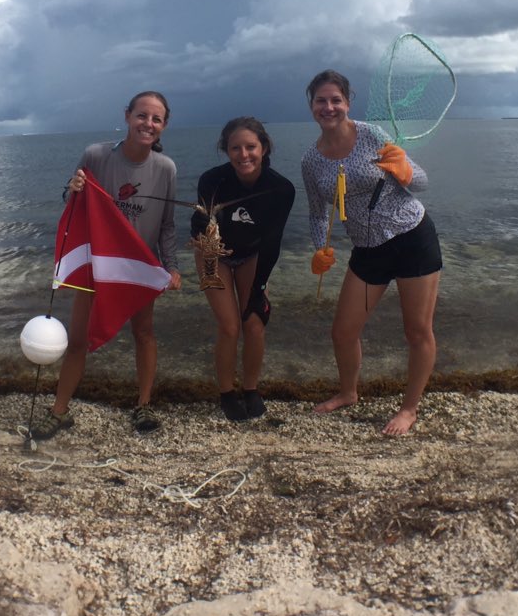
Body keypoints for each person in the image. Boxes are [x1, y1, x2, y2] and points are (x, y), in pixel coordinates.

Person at [31, 91, 181, 438]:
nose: (148, 123)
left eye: (156, 119)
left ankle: (143, 405)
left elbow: (168, 225)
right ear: (128, 116)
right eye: (142, 115)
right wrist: (74, 188)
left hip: (138, 267)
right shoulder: (95, 155)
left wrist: (171, 267)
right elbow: (72, 203)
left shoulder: (166, 168)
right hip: (98, 264)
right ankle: (59, 411)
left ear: (164, 126)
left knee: (144, 334)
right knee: (79, 339)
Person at [301, 70, 442, 436]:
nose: (329, 107)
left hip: (412, 238)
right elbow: (318, 212)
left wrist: (405, 170)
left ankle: (409, 409)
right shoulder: (311, 161)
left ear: (347, 103)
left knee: (417, 331)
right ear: (311, 105)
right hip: (367, 250)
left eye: (336, 99)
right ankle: (348, 392)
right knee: (343, 332)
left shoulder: (373, 136)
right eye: (321, 100)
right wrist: (321, 248)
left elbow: (422, 182)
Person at [191, 117, 295, 422]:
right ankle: (226, 392)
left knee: (253, 323)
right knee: (229, 326)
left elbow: (272, 242)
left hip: (253, 255)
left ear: (263, 147)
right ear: (226, 150)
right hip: (213, 253)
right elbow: (200, 224)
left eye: (251, 146)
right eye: (235, 148)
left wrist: (259, 289)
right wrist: (201, 229)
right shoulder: (211, 180)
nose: (244, 154)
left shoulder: (281, 188)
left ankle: (251, 389)